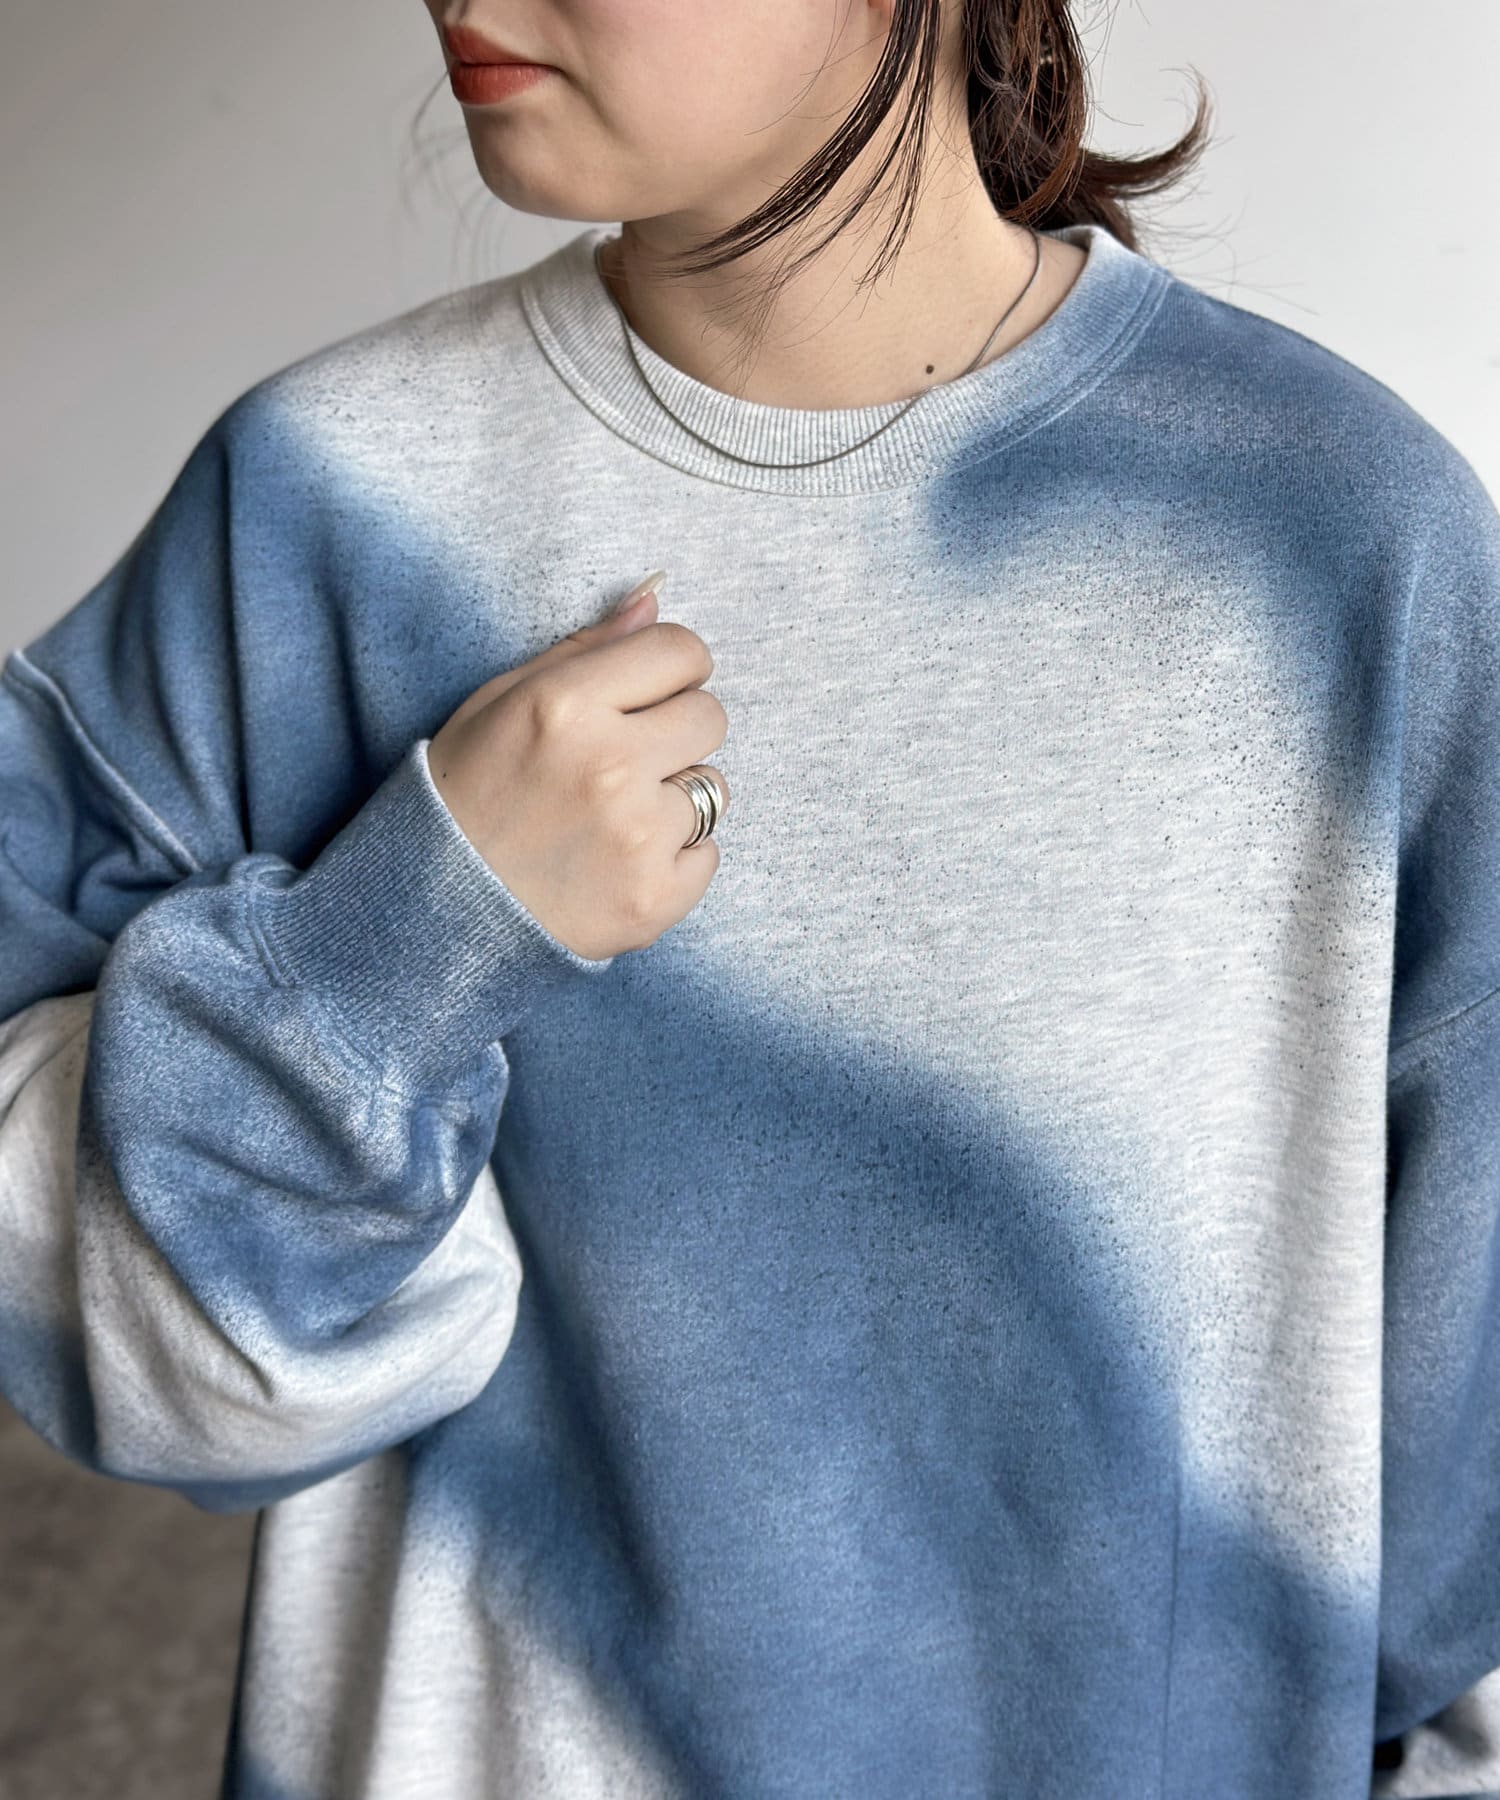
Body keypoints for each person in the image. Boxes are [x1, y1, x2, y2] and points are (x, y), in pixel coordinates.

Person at [2, 0, 1497, 1792]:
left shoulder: (1345, 553)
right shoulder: (321, 505)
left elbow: (1460, 1576)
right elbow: (126, 1351)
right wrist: (399, 952)